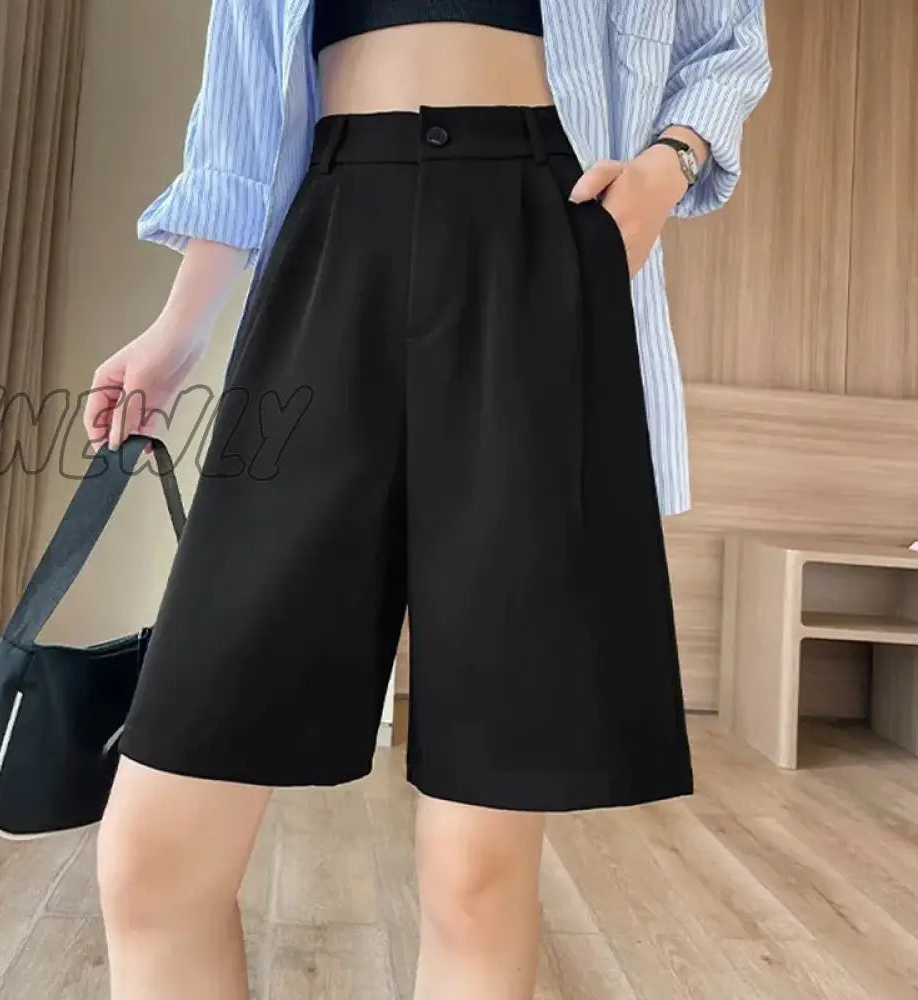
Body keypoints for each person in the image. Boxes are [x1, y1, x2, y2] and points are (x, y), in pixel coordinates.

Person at [85, 3, 771, 998]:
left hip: (539, 231)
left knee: (475, 877)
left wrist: (669, 165)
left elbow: (728, 39)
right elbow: (240, 101)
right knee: (154, 858)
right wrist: (178, 330)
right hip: (330, 238)